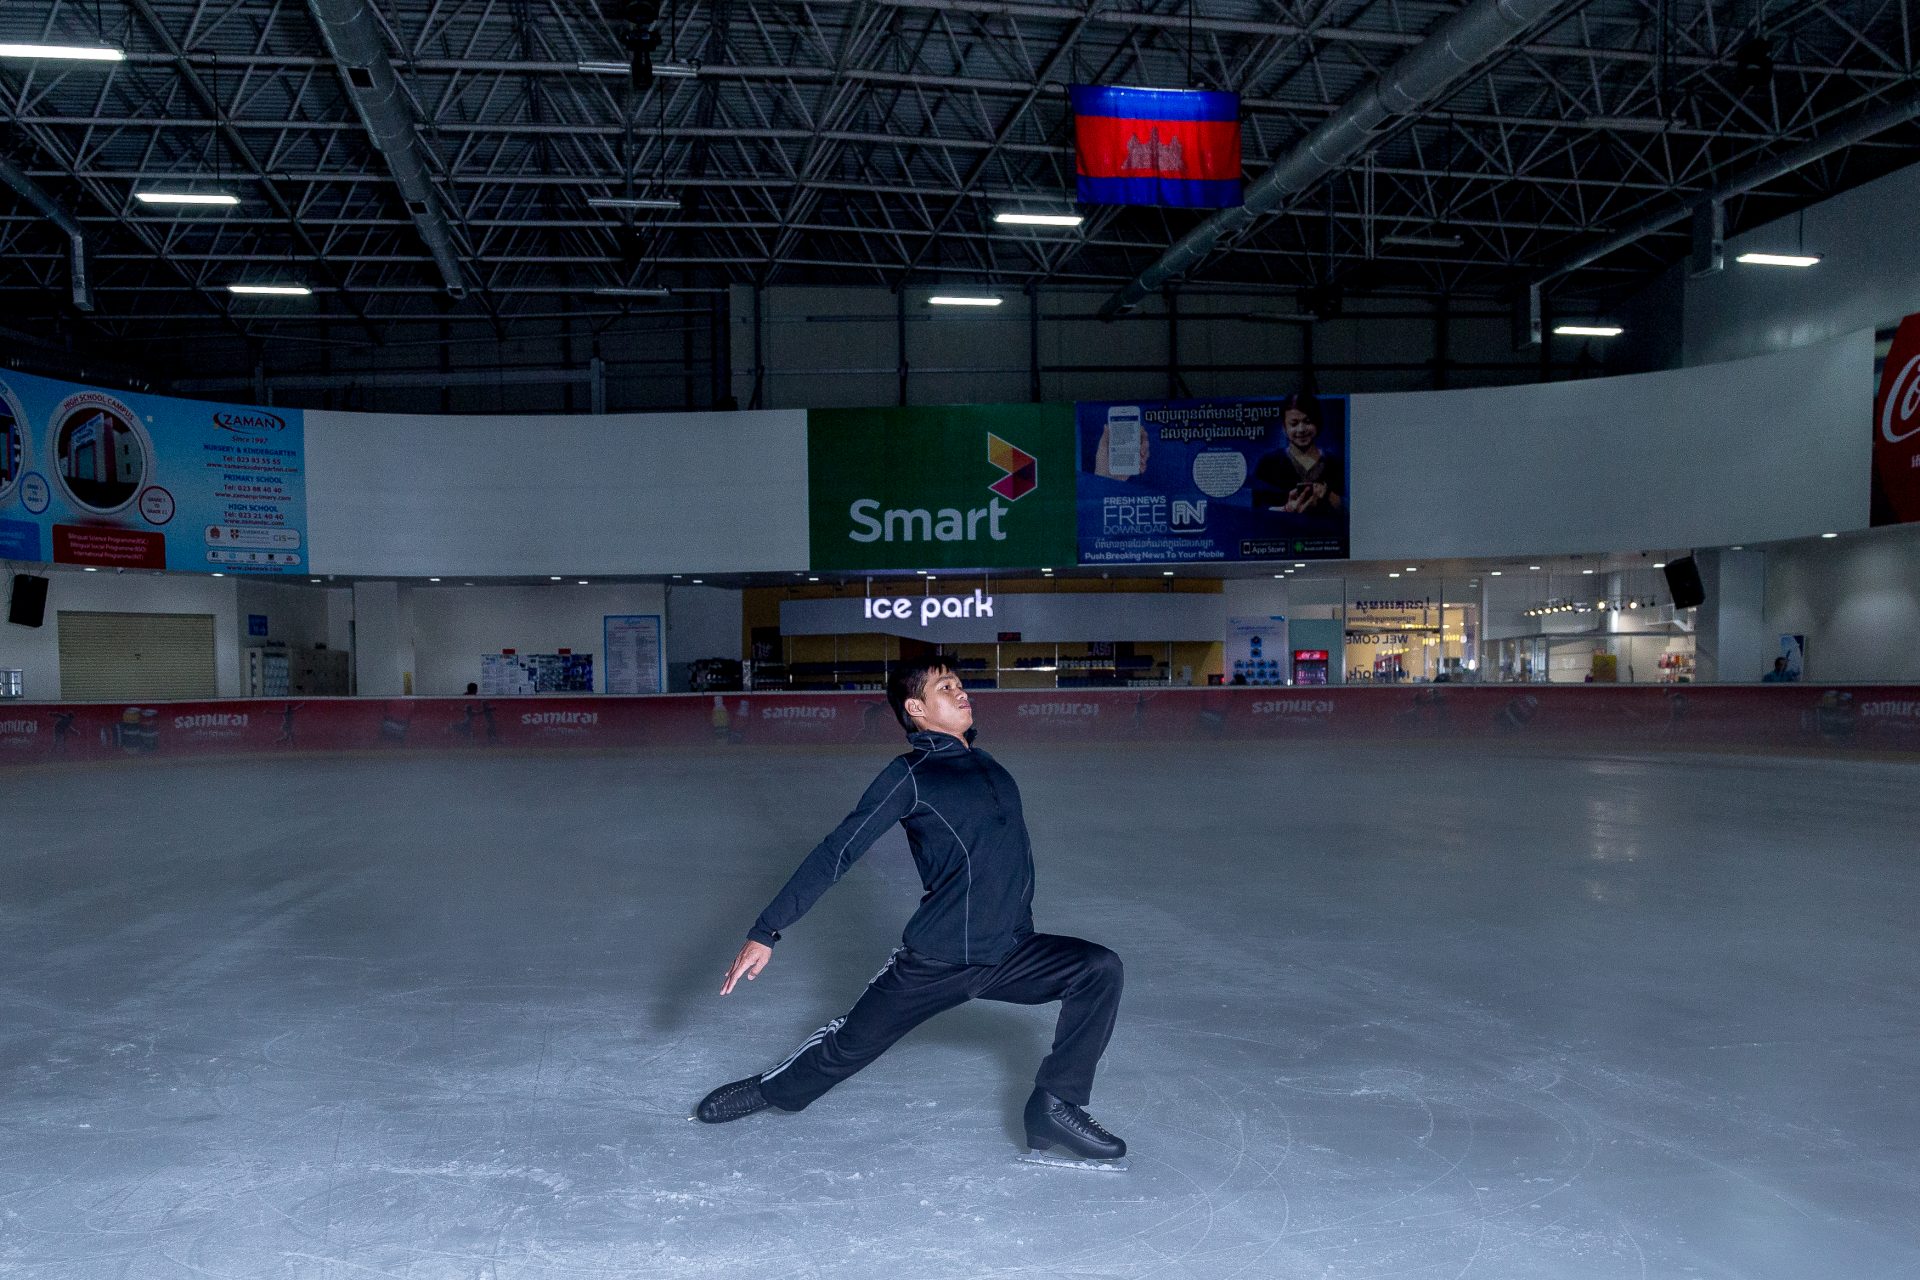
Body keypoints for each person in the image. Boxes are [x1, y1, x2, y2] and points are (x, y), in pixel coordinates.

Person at [694, 655, 1128, 1167]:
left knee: (1098, 970)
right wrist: (767, 929)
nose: (962, 693)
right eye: (946, 688)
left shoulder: (989, 764)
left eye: (961, 685)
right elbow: (839, 850)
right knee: (847, 1045)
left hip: (1010, 951)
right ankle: (771, 1091)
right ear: (916, 708)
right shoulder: (910, 775)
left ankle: (1055, 1106)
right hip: (938, 959)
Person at [1250, 393, 1343, 514]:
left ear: (1318, 423)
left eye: (1308, 421)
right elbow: (1258, 510)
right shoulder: (1267, 463)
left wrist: (1328, 496)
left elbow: (1352, 509)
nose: (1301, 429)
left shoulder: (1335, 463)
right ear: (1284, 427)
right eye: (1294, 424)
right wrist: (1286, 509)